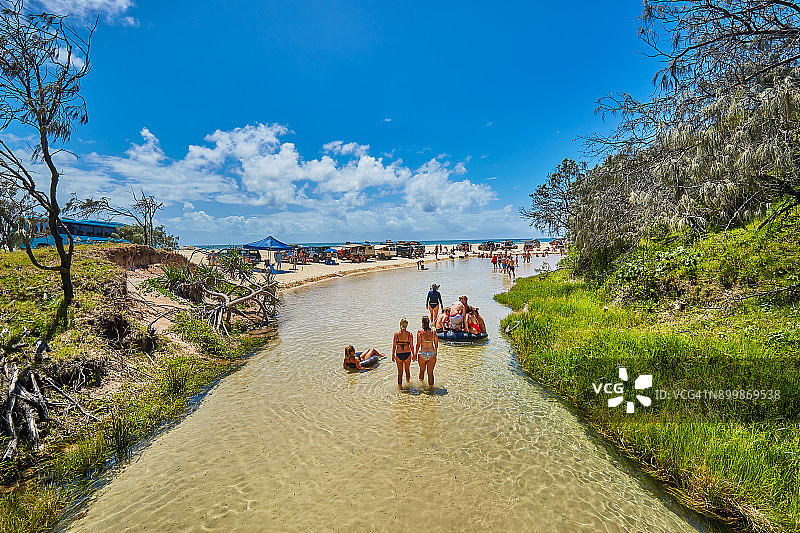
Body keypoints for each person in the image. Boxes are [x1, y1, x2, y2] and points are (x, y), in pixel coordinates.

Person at [416, 316, 438, 388]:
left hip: (422, 353)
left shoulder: (420, 332)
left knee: (422, 371)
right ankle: (431, 389)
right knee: (430, 373)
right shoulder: (434, 332)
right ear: (429, 322)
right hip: (432, 353)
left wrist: (415, 354)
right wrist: (436, 352)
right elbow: (436, 343)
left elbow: (418, 344)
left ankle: (421, 388)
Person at [392, 318, 414, 387]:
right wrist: (414, 354)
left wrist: (392, 355)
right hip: (407, 353)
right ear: (407, 325)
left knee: (400, 373)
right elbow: (411, 346)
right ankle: (408, 385)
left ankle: (400, 388)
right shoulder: (410, 334)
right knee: (407, 370)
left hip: (399, 354)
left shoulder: (396, 334)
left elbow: (394, 346)